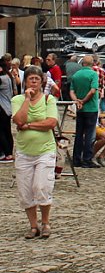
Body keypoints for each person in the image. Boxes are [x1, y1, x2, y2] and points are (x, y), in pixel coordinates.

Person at [11, 66, 58, 239]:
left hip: (45, 150)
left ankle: (45, 222)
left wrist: (29, 126)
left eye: (37, 79)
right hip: (24, 151)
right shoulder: (17, 99)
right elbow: (18, 119)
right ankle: (33, 225)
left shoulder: (48, 99)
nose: (33, 81)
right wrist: (26, 99)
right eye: (30, 79)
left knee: (41, 186)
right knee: (25, 191)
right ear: (25, 81)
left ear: (42, 81)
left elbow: (51, 123)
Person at [69, 55, 100, 168]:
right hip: (91, 107)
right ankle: (87, 159)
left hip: (80, 109)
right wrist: (84, 100)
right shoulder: (93, 74)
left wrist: (76, 101)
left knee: (79, 134)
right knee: (89, 135)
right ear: (92, 63)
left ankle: (76, 159)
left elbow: (71, 91)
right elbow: (92, 91)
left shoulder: (76, 75)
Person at [0, 58, 16, 162]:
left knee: (1, 131)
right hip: (8, 106)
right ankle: (9, 152)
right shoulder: (10, 77)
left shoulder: (1, 78)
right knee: (7, 130)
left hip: (2, 107)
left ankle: (5, 153)